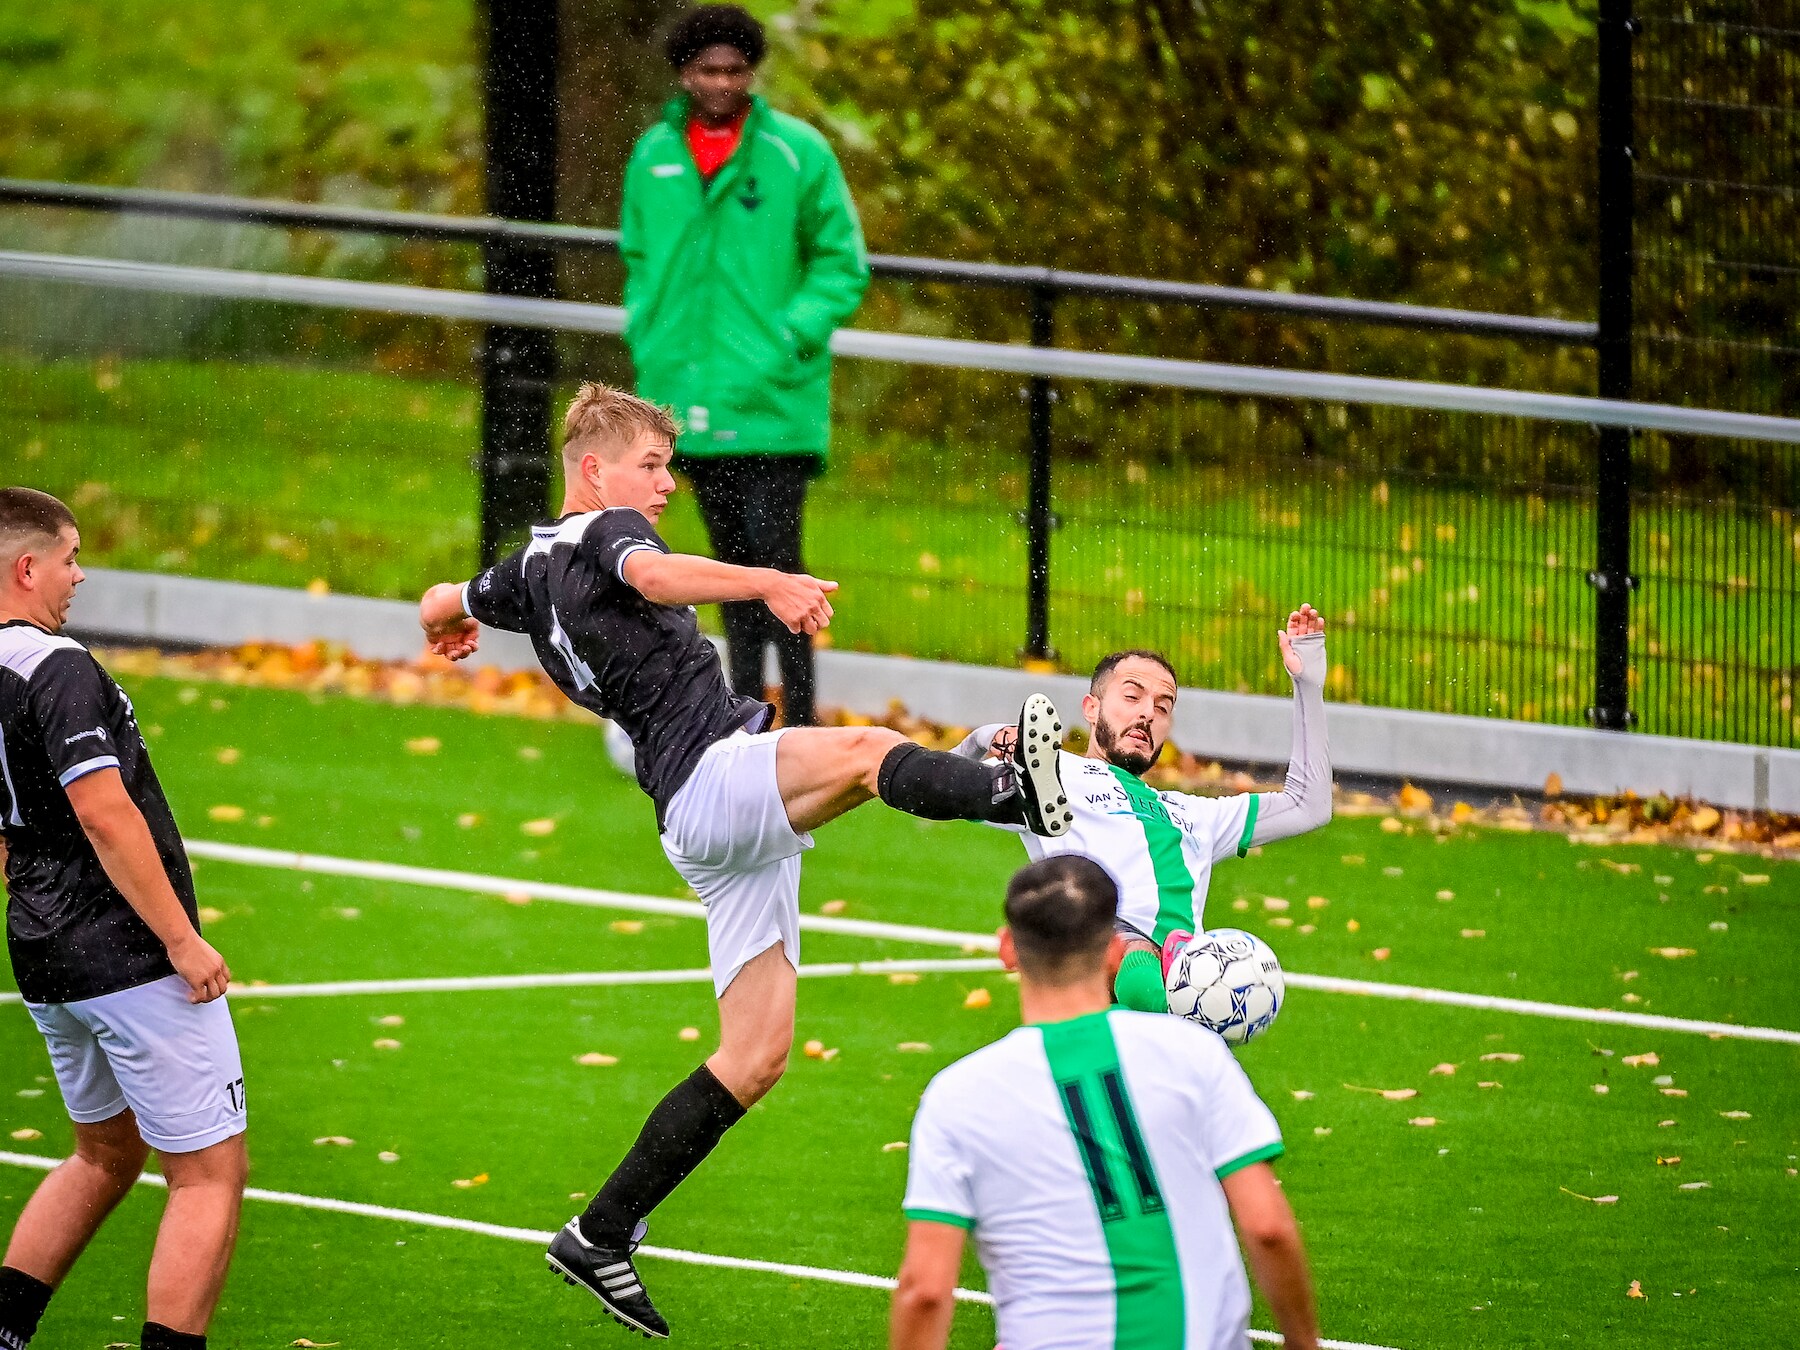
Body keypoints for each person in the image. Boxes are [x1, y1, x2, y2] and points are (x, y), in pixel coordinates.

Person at [416, 383, 1068, 1339]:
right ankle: (1009, 793)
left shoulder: (523, 570)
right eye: (652, 466)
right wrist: (765, 580)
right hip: (710, 776)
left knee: (755, 1056)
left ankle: (599, 1233)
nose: (668, 484)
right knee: (857, 752)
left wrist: (442, 622)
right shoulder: (601, 536)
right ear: (594, 473)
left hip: (699, 820)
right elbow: (652, 577)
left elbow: (442, 595)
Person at [891, 855, 1321, 1350]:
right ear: (1114, 953)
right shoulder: (1192, 1053)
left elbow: (925, 1291)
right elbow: (1267, 1227)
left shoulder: (957, 1096)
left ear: (1007, 949)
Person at [0, 488, 246, 1350]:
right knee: (209, 1174)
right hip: (126, 957)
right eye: (69, 558)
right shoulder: (56, 667)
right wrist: (180, 938)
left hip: (41, 953)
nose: (79, 574)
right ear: (28, 568)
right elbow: (105, 813)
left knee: (103, 1156)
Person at [619, 3, 869, 727]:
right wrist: (652, 339)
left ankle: (805, 719)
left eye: (734, 70)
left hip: (773, 405)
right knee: (730, 573)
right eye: (707, 70)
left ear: (751, 72)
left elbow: (841, 262)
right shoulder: (651, 156)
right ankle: (749, 716)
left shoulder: (797, 152)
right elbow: (639, 259)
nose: (721, 82)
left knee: (782, 570)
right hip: (685, 400)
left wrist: (789, 336)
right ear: (683, 74)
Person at [954, 609, 1331, 1015]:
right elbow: (943, 788)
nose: (1148, 713)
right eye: (1132, 696)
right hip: (1103, 965)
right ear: (1092, 708)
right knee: (1131, 954)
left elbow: (1308, 804)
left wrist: (1307, 683)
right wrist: (984, 738)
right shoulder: (1052, 773)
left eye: (1163, 706)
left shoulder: (1194, 814)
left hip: (1177, 992)